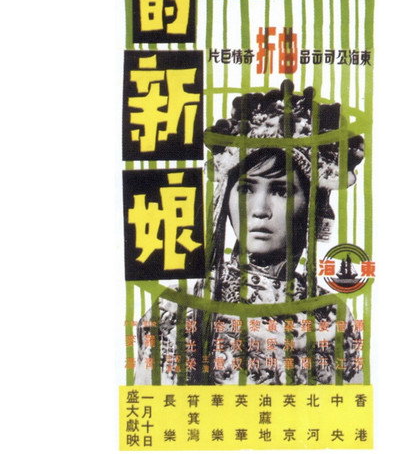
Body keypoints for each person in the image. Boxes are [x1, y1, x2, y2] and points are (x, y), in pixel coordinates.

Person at [135, 82, 364, 385]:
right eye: (245, 189)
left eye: (281, 191)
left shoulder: (333, 316)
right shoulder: (179, 308)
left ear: (313, 205)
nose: (259, 210)